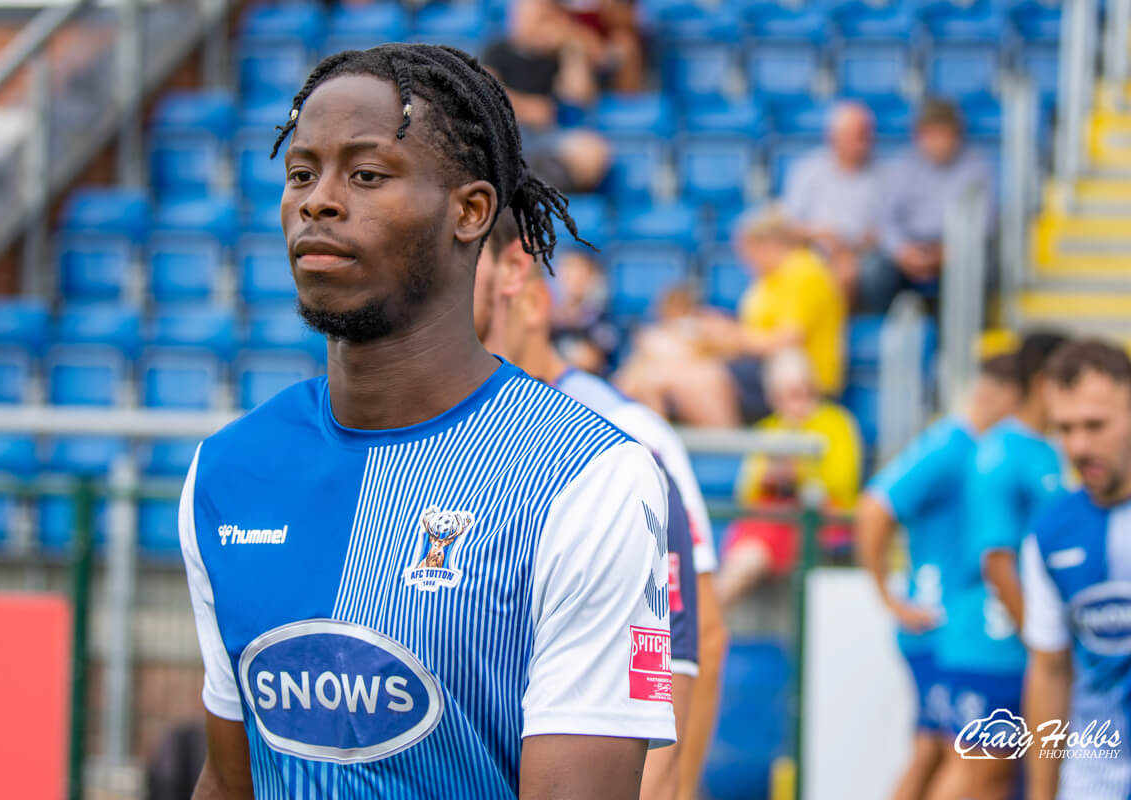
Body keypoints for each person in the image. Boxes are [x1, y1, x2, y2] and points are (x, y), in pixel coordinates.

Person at [180, 44, 676, 799]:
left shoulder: (587, 478)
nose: (318, 200)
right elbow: (230, 779)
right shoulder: (228, 472)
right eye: (301, 173)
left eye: (367, 174)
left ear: (470, 212)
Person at [474, 211, 729, 800]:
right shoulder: (445, 433)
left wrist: (673, 787)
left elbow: (697, 635)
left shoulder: (627, 433)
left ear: (531, 301)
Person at [1023, 338, 1131, 800]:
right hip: (1094, 787)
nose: (1079, 445)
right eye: (1066, 428)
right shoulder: (1049, 533)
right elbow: (1050, 672)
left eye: (1096, 425)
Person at [856, 353, 1021, 800]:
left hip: (943, 625)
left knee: (934, 749)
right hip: (936, 624)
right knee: (956, 756)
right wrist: (888, 597)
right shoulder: (952, 445)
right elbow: (875, 507)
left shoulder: (973, 447)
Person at [931, 330, 1067, 800]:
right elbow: (997, 560)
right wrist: (1040, 636)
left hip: (1011, 646)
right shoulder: (1003, 452)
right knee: (979, 774)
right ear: (1044, 381)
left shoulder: (1039, 449)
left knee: (997, 776)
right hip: (989, 642)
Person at [616, 208, 846, 426]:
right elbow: (754, 333)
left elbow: (788, 339)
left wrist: (728, 336)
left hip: (795, 377)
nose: (744, 260)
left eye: (746, 250)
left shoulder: (803, 272)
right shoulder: (768, 281)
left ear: (766, 245)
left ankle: (726, 451)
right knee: (652, 367)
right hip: (760, 365)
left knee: (693, 376)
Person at [717, 348, 862, 607]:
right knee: (750, 543)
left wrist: (799, 474)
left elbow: (843, 484)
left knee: (751, 553)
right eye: (786, 395)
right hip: (770, 519)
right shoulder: (769, 429)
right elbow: (746, 493)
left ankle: (709, 613)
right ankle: (710, 612)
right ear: (774, 396)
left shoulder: (837, 423)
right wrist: (769, 478)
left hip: (819, 521)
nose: (796, 402)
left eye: (802, 391)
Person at [863, 98, 994, 313]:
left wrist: (948, 253)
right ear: (919, 135)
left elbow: (984, 224)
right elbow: (884, 219)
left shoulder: (977, 168)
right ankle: (883, 336)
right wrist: (902, 251)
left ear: (957, 134)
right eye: (931, 134)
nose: (938, 141)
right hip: (909, 248)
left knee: (977, 268)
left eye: (944, 133)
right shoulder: (901, 165)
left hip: (955, 250)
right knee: (873, 270)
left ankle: (957, 337)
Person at [482, 0, 611, 192]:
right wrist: (526, 108)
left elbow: (579, 97)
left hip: (549, 136)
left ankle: (540, 192)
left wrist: (571, 48)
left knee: (593, 151)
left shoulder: (556, 54)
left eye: (538, 18)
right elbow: (485, 95)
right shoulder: (497, 51)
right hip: (510, 132)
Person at [783, 101, 881, 302]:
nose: (862, 142)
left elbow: (887, 229)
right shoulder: (808, 170)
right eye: (855, 135)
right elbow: (789, 225)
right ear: (833, 137)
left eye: (865, 134)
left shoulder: (886, 174)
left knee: (855, 270)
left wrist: (851, 248)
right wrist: (820, 234)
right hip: (812, 250)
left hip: (862, 255)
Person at [548, 247, 621, 375]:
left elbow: (590, 361)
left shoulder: (602, 316)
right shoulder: (548, 316)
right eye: (566, 270)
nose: (571, 278)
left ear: (591, 275)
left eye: (578, 271)